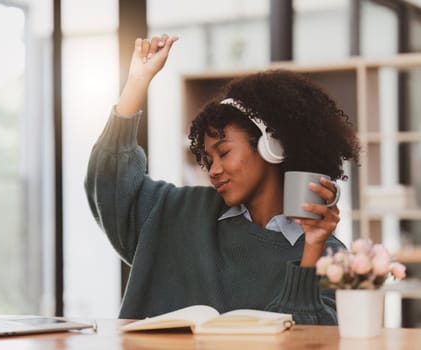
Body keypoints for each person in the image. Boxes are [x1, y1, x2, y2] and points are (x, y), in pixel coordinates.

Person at [85, 34, 360, 325]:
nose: (213, 170)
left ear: (272, 145)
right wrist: (136, 83)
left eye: (224, 152)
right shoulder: (176, 211)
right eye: (208, 159)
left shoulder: (330, 254)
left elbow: (308, 337)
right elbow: (108, 186)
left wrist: (312, 247)